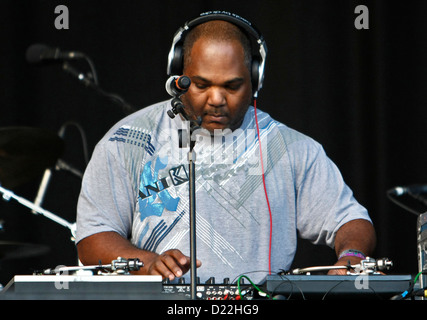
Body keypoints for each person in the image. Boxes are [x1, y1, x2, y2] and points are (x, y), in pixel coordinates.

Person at [75, 12, 376, 284]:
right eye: (202, 85)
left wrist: (353, 256)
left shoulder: (290, 148)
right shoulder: (128, 141)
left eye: (231, 87)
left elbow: (351, 220)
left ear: (255, 80)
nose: (216, 99)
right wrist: (148, 263)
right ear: (178, 76)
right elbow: (92, 237)